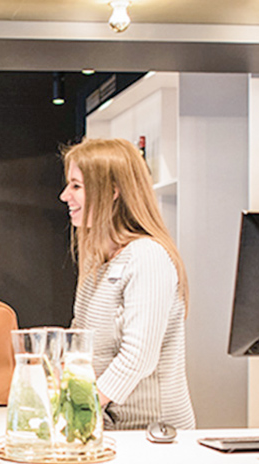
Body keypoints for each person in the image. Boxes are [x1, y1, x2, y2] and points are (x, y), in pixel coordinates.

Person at [59, 137, 196, 431]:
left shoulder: (148, 257)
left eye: (76, 186)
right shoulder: (98, 259)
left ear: (113, 191)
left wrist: (81, 408)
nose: (64, 195)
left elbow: (139, 357)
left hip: (153, 435)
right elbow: (80, 339)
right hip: (111, 428)